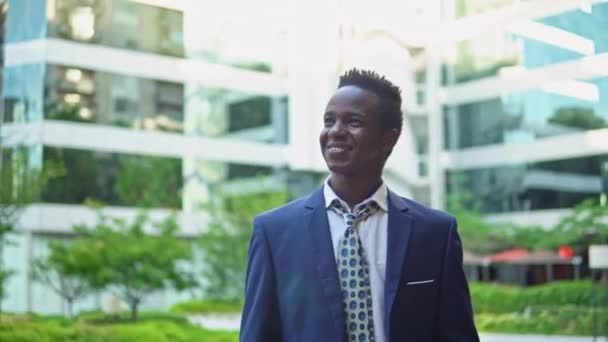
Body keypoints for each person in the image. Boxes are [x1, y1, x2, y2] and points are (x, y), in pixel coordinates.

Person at [239, 69, 479, 342]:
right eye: (329, 121)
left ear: (388, 139)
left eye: (353, 122)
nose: (335, 132)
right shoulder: (274, 232)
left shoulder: (436, 233)